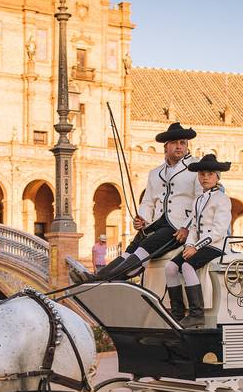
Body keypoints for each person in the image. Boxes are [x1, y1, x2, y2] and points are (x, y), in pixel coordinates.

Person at [69, 122, 202, 283]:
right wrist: (142, 219)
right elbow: (148, 202)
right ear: (165, 147)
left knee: (143, 250)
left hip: (177, 227)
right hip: (156, 224)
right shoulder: (155, 173)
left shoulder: (196, 168)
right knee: (128, 251)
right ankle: (96, 277)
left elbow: (200, 201)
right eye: (174, 143)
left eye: (183, 143)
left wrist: (187, 228)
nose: (179, 147)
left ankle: (99, 280)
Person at [164, 154, 232, 327]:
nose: (205, 177)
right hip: (198, 245)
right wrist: (189, 245)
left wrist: (197, 247)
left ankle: (196, 313)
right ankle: (178, 312)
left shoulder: (223, 199)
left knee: (187, 265)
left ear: (217, 176)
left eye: (210, 174)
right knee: (171, 267)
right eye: (202, 174)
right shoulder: (198, 200)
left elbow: (219, 230)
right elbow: (193, 227)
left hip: (216, 246)